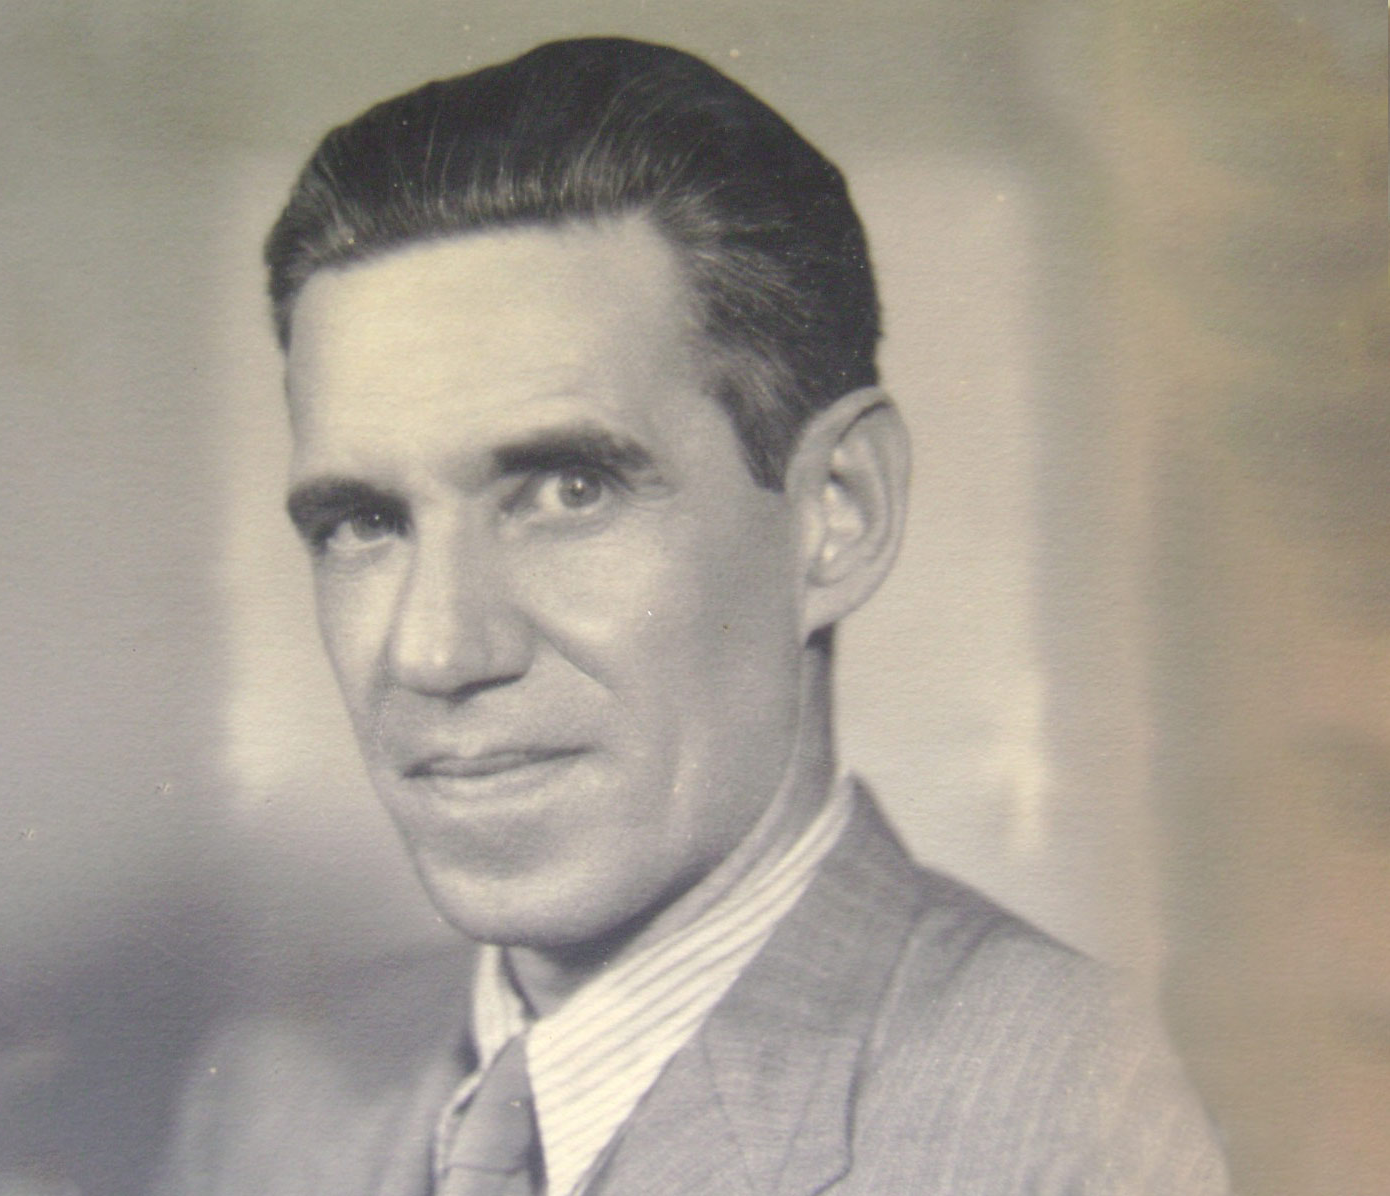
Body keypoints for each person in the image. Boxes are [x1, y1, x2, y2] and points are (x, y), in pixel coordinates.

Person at [160, 37, 1228, 1195]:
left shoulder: (1066, 1112)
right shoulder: (268, 1104)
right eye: (364, 521)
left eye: (569, 489)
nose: (437, 649)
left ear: (838, 511)